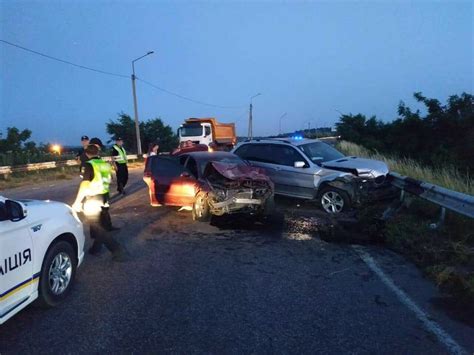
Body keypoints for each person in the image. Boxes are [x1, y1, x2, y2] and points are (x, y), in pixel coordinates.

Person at [72, 143, 126, 262]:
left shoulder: (89, 165)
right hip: (105, 197)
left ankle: (117, 249)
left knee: (96, 226)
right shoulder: (105, 164)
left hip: (93, 198)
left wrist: (77, 202)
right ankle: (95, 249)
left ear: (87, 154)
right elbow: (111, 180)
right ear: (98, 152)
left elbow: (84, 185)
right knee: (100, 224)